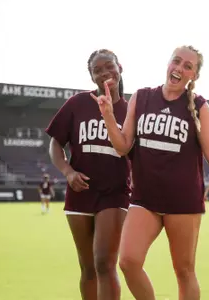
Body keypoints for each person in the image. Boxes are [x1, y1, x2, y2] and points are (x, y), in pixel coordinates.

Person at [92, 45, 209, 300]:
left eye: (188, 66)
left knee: (184, 271)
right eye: (177, 61)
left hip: (183, 203)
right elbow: (122, 147)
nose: (180, 68)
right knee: (128, 261)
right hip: (145, 200)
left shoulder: (199, 106)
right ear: (168, 63)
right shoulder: (142, 97)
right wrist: (107, 116)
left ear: (193, 76)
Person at [46, 49, 131, 300]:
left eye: (109, 67)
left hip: (114, 194)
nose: (105, 73)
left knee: (105, 263)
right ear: (91, 76)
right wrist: (68, 171)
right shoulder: (78, 104)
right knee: (87, 269)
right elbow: (55, 144)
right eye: (98, 70)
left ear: (120, 68)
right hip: (80, 193)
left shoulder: (131, 110)